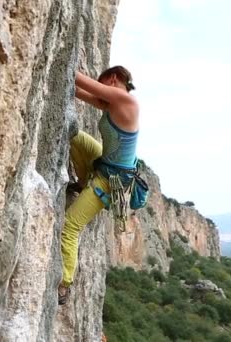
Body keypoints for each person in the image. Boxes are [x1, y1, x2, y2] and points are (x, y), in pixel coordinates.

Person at [59, 66, 139, 305]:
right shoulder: (112, 103)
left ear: (113, 79)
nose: (99, 85)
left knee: (70, 226)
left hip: (110, 181)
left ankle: (64, 283)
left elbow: (75, 76)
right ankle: (84, 183)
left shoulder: (124, 100)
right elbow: (82, 93)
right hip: (104, 163)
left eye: (101, 82)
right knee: (74, 133)